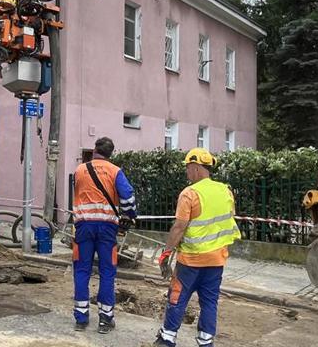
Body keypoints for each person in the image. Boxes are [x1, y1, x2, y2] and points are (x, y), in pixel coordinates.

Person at [153, 148, 241, 347]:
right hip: (217, 259)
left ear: (195, 168)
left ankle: (167, 338)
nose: (186, 172)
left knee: (177, 296)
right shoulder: (225, 190)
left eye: (187, 168)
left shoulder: (190, 193)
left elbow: (179, 227)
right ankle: (205, 341)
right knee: (209, 301)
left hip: (191, 261)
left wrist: (166, 254)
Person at [71, 137, 137, 333]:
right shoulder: (115, 171)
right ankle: (105, 320)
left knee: (82, 270)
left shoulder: (80, 170)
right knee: (107, 272)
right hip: (108, 228)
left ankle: (81, 319)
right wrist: (129, 215)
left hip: (83, 226)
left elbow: (78, 192)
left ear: (94, 150)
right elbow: (129, 198)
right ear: (111, 153)